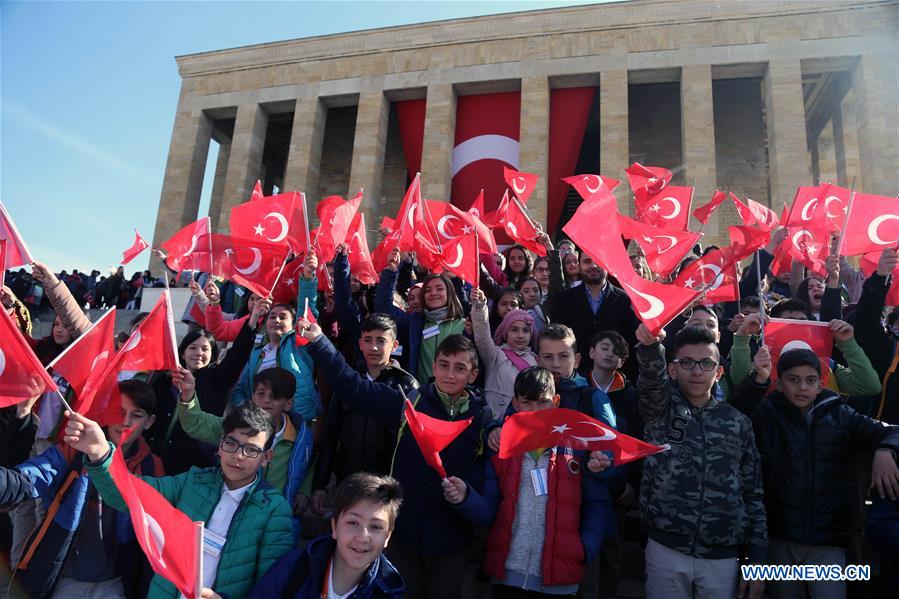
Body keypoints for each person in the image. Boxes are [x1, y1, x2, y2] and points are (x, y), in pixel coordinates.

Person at [297, 322, 491, 599]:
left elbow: (487, 483)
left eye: (459, 368)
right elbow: (353, 386)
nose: (450, 374)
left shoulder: (483, 419)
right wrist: (319, 342)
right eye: (444, 365)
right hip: (403, 535)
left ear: (473, 375)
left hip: (451, 543)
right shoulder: (409, 403)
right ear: (433, 368)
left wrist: (467, 495)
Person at [63, 402, 294, 599]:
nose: (238, 455)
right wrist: (100, 453)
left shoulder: (274, 510)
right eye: (231, 444)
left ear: (267, 457)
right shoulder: (192, 482)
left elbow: (272, 588)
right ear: (220, 446)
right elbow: (132, 494)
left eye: (252, 450)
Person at [731, 346, 899, 599]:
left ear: (820, 385)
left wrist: (885, 451)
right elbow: (733, 416)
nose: (802, 388)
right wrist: (757, 379)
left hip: (828, 543)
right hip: (780, 538)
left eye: (810, 381)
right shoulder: (767, 414)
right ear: (778, 383)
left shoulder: (841, 414)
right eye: (793, 380)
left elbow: (892, 431)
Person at [447, 367, 612, 597]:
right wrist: (466, 497)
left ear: (555, 402)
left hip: (560, 582)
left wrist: (585, 549)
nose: (535, 411)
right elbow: (489, 509)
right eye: (527, 402)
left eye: (542, 402)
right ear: (515, 402)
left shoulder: (577, 447)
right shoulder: (500, 448)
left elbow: (596, 504)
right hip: (507, 576)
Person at [635, 324, 766, 599]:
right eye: (687, 362)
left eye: (706, 363)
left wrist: (757, 563)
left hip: (723, 556)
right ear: (672, 369)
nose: (696, 371)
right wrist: (649, 347)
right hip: (666, 548)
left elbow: (753, 494)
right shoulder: (661, 410)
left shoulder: (738, 423)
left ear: (718, 372)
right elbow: (650, 384)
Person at [12, 380, 164, 599]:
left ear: (149, 422)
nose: (125, 422)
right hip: (65, 576)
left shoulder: (153, 467)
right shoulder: (74, 450)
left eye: (136, 415)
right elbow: (32, 475)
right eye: (119, 411)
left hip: (116, 582)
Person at [175, 367, 313, 536]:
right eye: (261, 394)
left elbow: (308, 463)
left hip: (269, 517)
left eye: (275, 396)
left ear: (288, 403)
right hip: (228, 509)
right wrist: (188, 393)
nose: (266, 401)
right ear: (252, 397)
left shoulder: (301, 437)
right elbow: (196, 422)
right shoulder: (235, 426)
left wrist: (304, 491)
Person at [311, 314, 418, 516]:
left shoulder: (406, 386)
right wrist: (320, 485)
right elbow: (330, 436)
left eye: (381, 341)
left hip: (385, 487)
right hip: (347, 482)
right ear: (360, 344)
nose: (374, 347)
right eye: (368, 340)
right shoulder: (347, 384)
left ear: (394, 345)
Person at [249, 472, 406, 598]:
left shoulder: (389, 592)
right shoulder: (295, 567)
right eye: (353, 523)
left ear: (388, 536)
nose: (363, 536)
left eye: (376, 526)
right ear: (334, 527)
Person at [148, 313, 258, 475]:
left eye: (205, 349)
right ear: (183, 352)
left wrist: (253, 321)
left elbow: (238, 353)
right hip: (155, 458)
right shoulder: (163, 380)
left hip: (192, 464)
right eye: (192, 348)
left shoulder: (218, 378)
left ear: (212, 355)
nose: (198, 353)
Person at [230, 252, 320, 421]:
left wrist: (308, 277)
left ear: (294, 323)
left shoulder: (299, 344)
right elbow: (240, 389)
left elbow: (308, 310)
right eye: (272, 317)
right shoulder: (257, 352)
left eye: (283, 317)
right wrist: (247, 412)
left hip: (295, 423)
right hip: (258, 425)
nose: (276, 320)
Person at [375, 248, 466, 384]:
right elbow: (384, 307)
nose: (433, 293)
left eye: (439, 289)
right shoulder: (415, 322)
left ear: (450, 293)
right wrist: (392, 271)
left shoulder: (464, 325)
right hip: (421, 396)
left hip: (453, 396)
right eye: (428, 290)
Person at [547, 252, 640, 379]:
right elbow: (555, 342)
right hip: (574, 381)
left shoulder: (625, 300)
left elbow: (632, 344)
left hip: (615, 382)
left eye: (598, 261)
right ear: (579, 265)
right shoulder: (563, 300)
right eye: (587, 261)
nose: (593, 265)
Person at [471, 287, 538, 418]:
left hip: (527, 422)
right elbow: (482, 335)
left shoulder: (537, 360)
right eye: (514, 330)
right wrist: (479, 306)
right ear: (505, 333)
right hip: (496, 422)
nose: (520, 335)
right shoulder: (494, 355)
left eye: (525, 330)